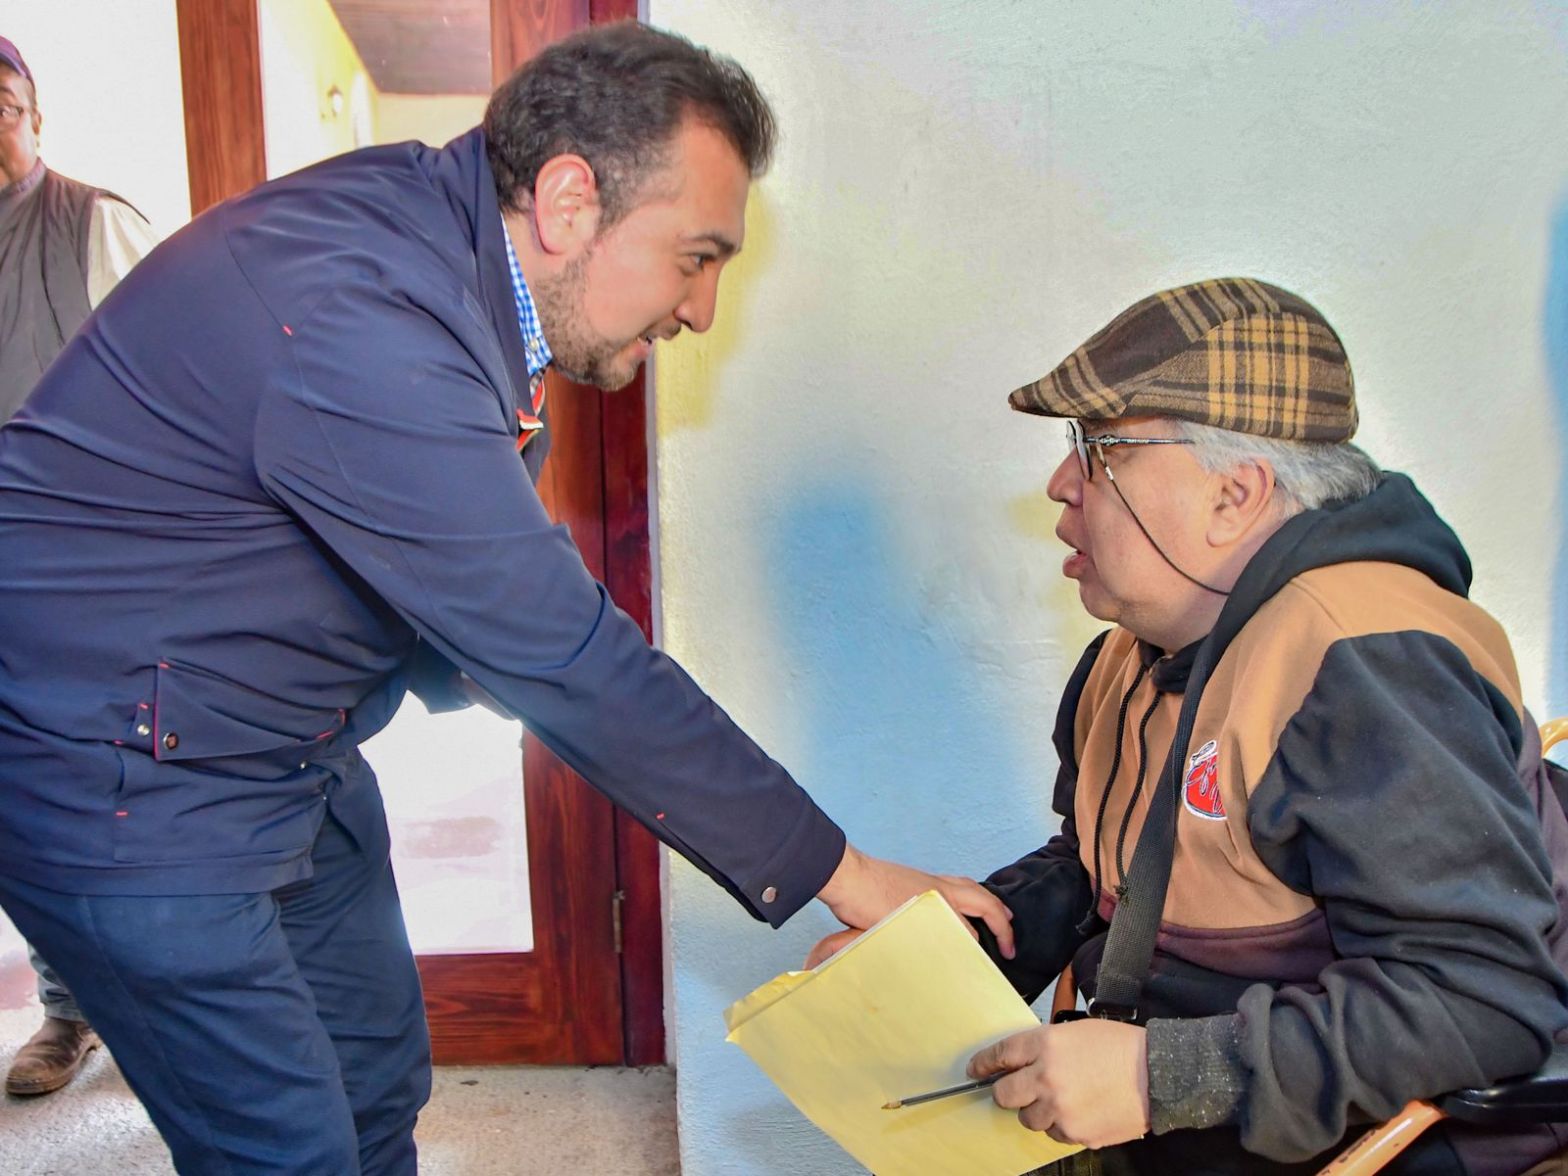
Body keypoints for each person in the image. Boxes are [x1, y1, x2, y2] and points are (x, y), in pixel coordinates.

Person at [0, 21, 1010, 1175]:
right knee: (284, 1148)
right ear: (570, 200)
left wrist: (504, 645)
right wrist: (849, 876)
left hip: (279, 747)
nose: (701, 310)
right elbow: (563, 654)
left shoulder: (443, 253)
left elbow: (469, 585)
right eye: (695, 257)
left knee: (376, 1080)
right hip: (118, 777)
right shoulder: (359, 310)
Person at [956, 278, 1568, 1174]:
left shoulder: (1367, 669)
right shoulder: (1134, 656)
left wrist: (1162, 1078)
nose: (1060, 485)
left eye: (1100, 449)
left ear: (1234, 496)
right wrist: (963, 947)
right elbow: (1108, 874)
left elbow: (1482, 999)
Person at [0, 32, 157, 1098]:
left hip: (89, 567)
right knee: (18, 802)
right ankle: (69, 1008)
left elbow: (182, 383)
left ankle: (162, 1012)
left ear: (36, 117)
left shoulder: (96, 224)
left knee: (114, 794)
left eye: (1, 104)